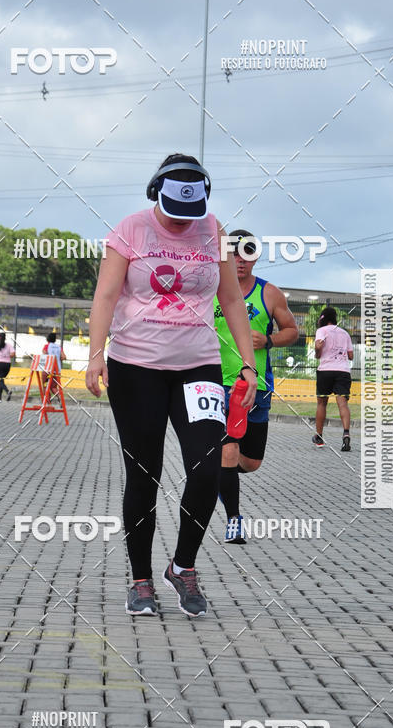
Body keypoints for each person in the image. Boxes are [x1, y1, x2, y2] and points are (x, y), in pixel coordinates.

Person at [86, 153, 257, 618]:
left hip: (197, 366)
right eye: (173, 212)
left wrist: (246, 362)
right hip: (135, 367)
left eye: (191, 213)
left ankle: (183, 567)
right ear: (154, 193)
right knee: (144, 475)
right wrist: (95, 355)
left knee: (207, 470)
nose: (183, 224)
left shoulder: (213, 231)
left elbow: (230, 299)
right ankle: (141, 580)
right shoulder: (131, 229)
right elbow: (105, 295)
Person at [214, 230, 299, 544]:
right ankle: (234, 520)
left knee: (250, 462)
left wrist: (270, 340)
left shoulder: (269, 293)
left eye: (246, 253)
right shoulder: (210, 288)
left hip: (257, 386)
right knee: (228, 449)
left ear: (254, 256)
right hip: (218, 383)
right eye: (233, 253)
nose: (239, 260)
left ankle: (218, 476)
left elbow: (292, 330)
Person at [312, 307, 354, 450]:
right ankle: (346, 435)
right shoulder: (345, 333)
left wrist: (318, 350)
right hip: (343, 371)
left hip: (325, 370)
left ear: (323, 318)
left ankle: (319, 436)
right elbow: (351, 356)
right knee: (343, 404)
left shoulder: (321, 331)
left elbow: (318, 351)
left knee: (322, 404)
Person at [42, 331, 66, 395]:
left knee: (45, 385)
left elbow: (44, 355)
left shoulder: (47, 346)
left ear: (47, 339)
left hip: (48, 369)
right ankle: (60, 398)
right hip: (57, 370)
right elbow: (64, 357)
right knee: (54, 387)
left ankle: (47, 401)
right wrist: (57, 359)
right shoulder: (58, 347)